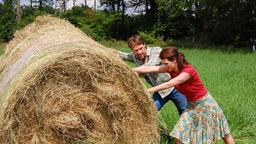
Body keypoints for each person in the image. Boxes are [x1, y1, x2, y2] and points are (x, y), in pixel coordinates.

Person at [134, 47, 235, 144]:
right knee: (178, 135)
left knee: (223, 133)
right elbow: (150, 68)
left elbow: (168, 84)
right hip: (191, 106)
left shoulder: (188, 71)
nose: (164, 65)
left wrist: (147, 90)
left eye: (165, 63)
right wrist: (128, 71)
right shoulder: (170, 68)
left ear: (174, 60)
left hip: (206, 105)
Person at [117, 35, 187, 115]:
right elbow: (121, 55)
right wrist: (104, 51)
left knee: (184, 112)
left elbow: (148, 66)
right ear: (132, 50)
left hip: (175, 87)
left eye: (141, 48)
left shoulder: (156, 51)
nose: (139, 52)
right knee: (149, 112)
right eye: (136, 50)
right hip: (159, 90)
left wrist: (129, 72)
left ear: (145, 45)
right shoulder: (134, 56)